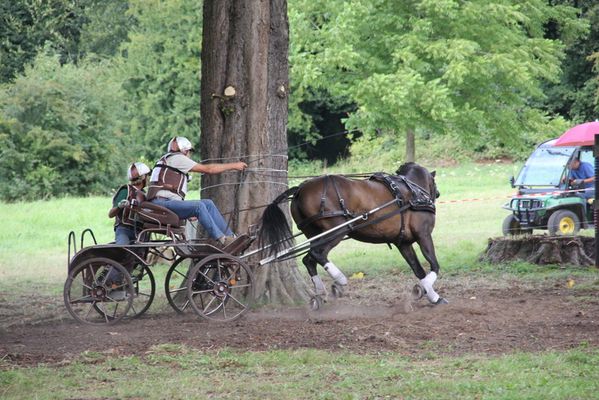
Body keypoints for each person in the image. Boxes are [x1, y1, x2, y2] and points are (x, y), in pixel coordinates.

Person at [147, 136, 247, 246]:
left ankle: (231, 237)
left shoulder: (167, 159)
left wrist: (187, 212)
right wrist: (235, 166)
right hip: (162, 203)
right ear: (184, 151)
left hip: (164, 203)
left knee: (207, 204)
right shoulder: (177, 158)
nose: (189, 155)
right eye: (189, 152)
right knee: (198, 206)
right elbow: (209, 169)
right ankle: (223, 239)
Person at [108, 162, 151, 244]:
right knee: (122, 250)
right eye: (147, 175)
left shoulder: (145, 195)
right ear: (143, 177)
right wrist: (119, 207)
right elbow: (110, 214)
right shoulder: (126, 190)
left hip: (140, 233)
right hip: (124, 230)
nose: (149, 178)